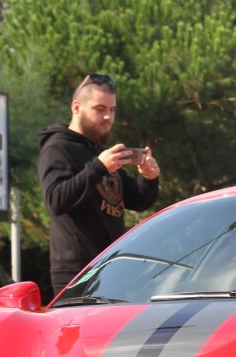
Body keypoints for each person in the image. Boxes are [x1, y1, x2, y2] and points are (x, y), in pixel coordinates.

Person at [37, 73, 161, 294]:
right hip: (78, 275)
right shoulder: (57, 148)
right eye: (100, 109)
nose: (108, 117)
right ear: (77, 107)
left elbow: (137, 200)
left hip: (113, 269)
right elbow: (55, 200)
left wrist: (148, 178)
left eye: (112, 110)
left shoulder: (100, 152)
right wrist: (98, 168)